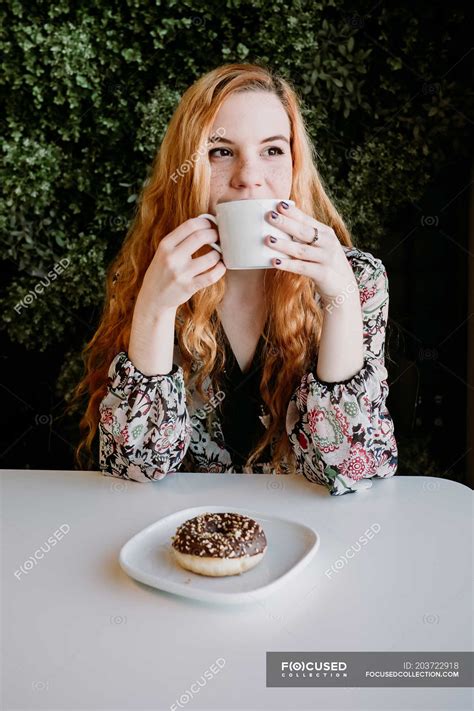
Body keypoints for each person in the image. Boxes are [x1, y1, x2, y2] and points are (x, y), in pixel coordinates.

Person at [72, 62, 398, 496]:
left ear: (295, 166)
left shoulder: (358, 277)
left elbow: (353, 469)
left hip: (313, 540)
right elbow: (136, 467)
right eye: (221, 151)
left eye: (273, 150)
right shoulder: (150, 275)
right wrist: (155, 306)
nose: (249, 177)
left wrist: (340, 296)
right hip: (181, 537)